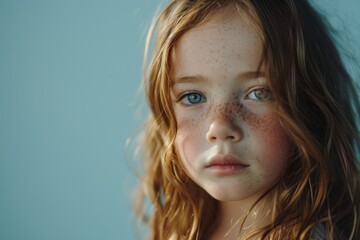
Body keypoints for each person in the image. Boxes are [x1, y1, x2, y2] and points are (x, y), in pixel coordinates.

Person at [135, 0, 360, 239]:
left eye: (258, 93)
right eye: (193, 97)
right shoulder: (178, 231)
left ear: (310, 105)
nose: (220, 127)